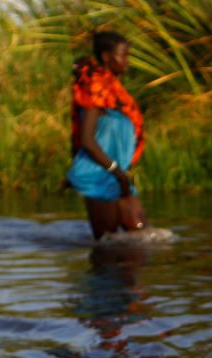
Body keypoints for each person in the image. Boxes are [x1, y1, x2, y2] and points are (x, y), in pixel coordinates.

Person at [67, 31, 147, 240]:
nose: (127, 62)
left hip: (117, 175)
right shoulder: (94, 90)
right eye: (123, 55)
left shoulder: (114, 92)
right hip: (97, 176)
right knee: (109, 248)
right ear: (106, 57)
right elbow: (87, 141)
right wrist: (118, 173)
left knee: (143, 239)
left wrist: (120, 174)